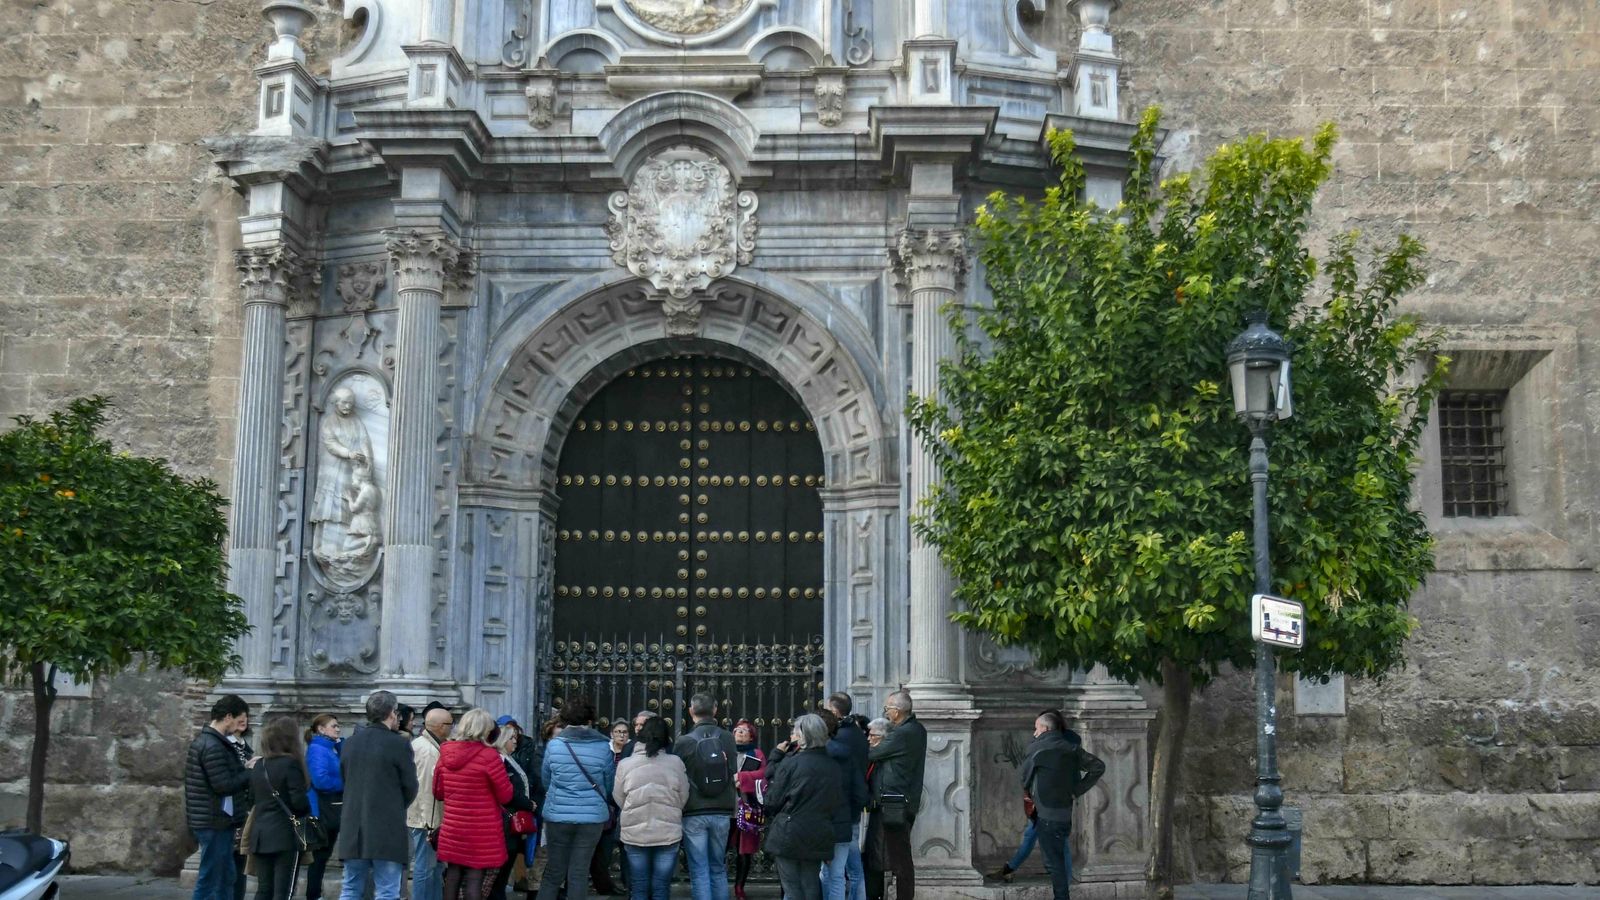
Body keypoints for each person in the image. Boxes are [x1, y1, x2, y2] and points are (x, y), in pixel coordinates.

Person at [338, 690, 419, 900]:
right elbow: (410, 786)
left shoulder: (350, 742)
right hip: (386, 826)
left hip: (353, 825)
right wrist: (394, 804)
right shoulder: (398, 743)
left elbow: (345, 779)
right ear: (392, 713)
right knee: (387, 891)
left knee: (350, 889)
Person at [1020, 710, 1105, 900]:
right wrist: (1076, 790)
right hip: (1065, 812)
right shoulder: (1071, 749)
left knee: (1054, 862)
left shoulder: (1036, 749)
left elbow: (1025, 778)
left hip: (1045, 813)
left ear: (1045, 728)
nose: (1034, 733)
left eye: (1036, 728)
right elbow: (1098, 766)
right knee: (1057, 857)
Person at [536, 698, 615, 900]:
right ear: (590, 720)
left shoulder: (554, 746)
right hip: (592, 817)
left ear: (564, 720)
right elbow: (609, 784)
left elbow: (546, 779)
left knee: (554, 871)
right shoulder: (604, 747)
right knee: (579, 872)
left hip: (558, 814)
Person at [434, 708, 516, 900]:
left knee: (453, 874)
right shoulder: (489, 756)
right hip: (481, 829)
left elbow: (438, 792)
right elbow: (506, 796)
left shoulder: (446, 753)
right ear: (486, 730)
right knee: (474, 877)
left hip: (454, 827)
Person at [762, 714, 844, 900]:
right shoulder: (833, 766)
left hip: (789, 831)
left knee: (792, 888)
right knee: (811, 885)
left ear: (803, 736)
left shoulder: (791, 763)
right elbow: (836, 802)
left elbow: (772, 801)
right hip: (818, 831)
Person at [186, 694, 255, 900]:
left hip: (217, 820)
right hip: (213, 820)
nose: (239, 725)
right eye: (238, 720)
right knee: (211, 878)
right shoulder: (213, 745)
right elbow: (223, 785)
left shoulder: (214, 742)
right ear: (228, 717)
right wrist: (249, 772)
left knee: (226, 876)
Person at [612, 716, 689, 900]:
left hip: (635, 832)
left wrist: (631, 809)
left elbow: (618, 796)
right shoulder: (675, 763)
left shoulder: (625, 764)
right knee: (661, 886)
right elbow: (683, 796)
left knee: (639, 885)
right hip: (667, 832)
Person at [671, 694, 736, 900]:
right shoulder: (727, 738)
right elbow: (733, 770)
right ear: (715, 710)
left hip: (694, 810)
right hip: (722, 809)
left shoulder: (684, 741)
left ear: (691, 711)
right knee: (718, 867)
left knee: (699, 869)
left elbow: (677, 775)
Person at [248, 717, 315, 900]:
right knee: (283, 891)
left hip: (260, 834)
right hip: (285, 836)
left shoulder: (259, 765)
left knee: (264, 889)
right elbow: (299, 803)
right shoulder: (290, 764)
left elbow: (251, 799)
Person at [866, 692, 925, 900]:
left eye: (887, 708)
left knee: (900, 860)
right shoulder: (916, 729)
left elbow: (872, 754)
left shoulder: (903, 733)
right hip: (900, 800)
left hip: (895, 803)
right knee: (891, 856)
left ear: (897, 711)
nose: (886, 712)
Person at [824, 694, 869, 900]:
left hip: (840, 811)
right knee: (853, 867)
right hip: (852, 807)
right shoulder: (857, 733)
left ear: (834, 711)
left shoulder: (839, 740)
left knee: (835, 872)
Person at [489, 718, 539, 900]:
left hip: (513, 820)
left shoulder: (509, 759)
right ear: (503, 740)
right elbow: (508, 791)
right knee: (500, 870)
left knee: (508, 864)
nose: (515, 741)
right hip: (505, 820)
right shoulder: (499, 760)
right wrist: (528, 804)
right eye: (511, 738)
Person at [408, 706, 453, 900]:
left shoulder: (429, 745)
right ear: (442, 726)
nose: (452, 728)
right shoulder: (427, 750)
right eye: (451, 724)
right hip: (426, 820)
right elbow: (426, 789)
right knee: (425, 868)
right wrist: (431, 824)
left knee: (434, 868)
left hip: (427, 818)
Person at [590, 720, 633, 894]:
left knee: (626, 843)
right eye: (618, 732)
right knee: (604, 846)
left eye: (624, 732)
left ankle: (627, 880)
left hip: (625, 803)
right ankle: (602, 881)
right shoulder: (605, 752)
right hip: (607, 803)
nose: (621, 735)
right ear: (611, 734)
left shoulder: (631, 752)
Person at [305, 714, 344, 900]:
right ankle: (313, 895)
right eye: (333, 726)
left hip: (330, 807)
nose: (338, 729)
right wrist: (345, 783)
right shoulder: (317, 749)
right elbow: (320, 780)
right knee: (319, 857)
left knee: (323, 856)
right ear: (321, 729)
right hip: (322, 809)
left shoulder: (330, 748)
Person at [729, 719, 766, 900]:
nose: (740, 732)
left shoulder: (757, 754)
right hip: (727, 806)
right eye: (738, 729)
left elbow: (764, 774)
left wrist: (742, 778)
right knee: (721, 846)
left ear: (751, 736)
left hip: (747, 806)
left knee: (744, 851)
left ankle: (739, 887)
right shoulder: (726, 750)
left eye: (745, 730)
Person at [861, 718, 890, 900]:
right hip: (872, 811)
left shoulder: (884, 758)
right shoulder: (874, 756)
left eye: (873, 736)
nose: (869, 739)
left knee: (877, 856)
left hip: (880, 812)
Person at [228, 725, 256, 900]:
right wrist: (247, 769)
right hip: (230, 813)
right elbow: (227, 782)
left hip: (243, 812)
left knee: (240, 861)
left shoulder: (245, 747)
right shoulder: (226, 748)